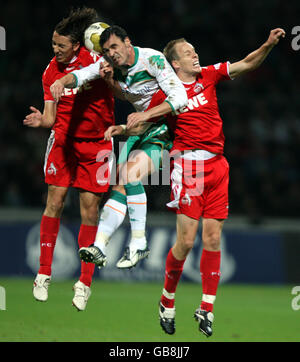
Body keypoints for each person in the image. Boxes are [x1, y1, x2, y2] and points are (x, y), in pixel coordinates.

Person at [125, 28, 285, 336]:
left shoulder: (208, 76)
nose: (195, 55)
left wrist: (267, 44)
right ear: (174, 64)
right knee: (186, 241)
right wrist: (121, 129)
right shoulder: (166, 95)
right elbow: (141, 126)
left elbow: (247, 64)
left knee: (213, 240)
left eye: (194, 50)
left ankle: (207, 308)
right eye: (187, 53)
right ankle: (166, 300)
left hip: (218, 166)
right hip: (188, 168)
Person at [50, 25, 188, 270]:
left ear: (127, 41)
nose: (111, 53)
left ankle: (139, 243)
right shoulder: (109, 65)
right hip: (141, 129)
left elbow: (179, 99)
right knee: (119, 184)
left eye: (115, 47)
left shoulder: (152, 59)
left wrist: (145, 116)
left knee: (129, 175)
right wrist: (62, 80)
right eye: (106, 50)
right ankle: (100, 246)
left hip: (167, 128)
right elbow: (81, 75)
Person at [23, 8, 115, 311]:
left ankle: (84, 283)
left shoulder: (94, 61)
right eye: (53, 44)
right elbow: (51, 117)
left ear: (77, 45)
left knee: (90, 209)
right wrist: (42, 120)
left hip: (97, 144)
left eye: (60, 45)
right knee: (55, 200)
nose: (55, 50)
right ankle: (44, 273)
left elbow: (116, 71)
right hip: (63, 141)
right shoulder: (50, 71)